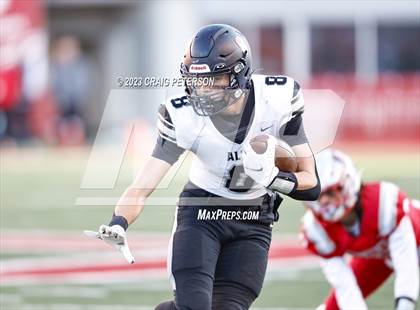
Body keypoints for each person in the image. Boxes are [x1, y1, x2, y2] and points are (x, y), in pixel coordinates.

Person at [89, 24, 320, 310]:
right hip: (201, 215)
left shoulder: (278, 100)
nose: (204, 90)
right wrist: (118, 223)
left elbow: (312, 185)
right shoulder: (183, 115)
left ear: (239, 72)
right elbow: (142, 185)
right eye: (198, 81)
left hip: (253, 221)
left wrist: (273, 178)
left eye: (215, 79)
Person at [301, 149, 419, 310]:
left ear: (346, 184)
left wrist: (404, 304)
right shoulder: (317, 229)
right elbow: (344, 287)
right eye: (318, 195)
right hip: (379, 253)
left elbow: (406, 264)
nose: (325, 202)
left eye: (329, 192)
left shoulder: (384, 204)